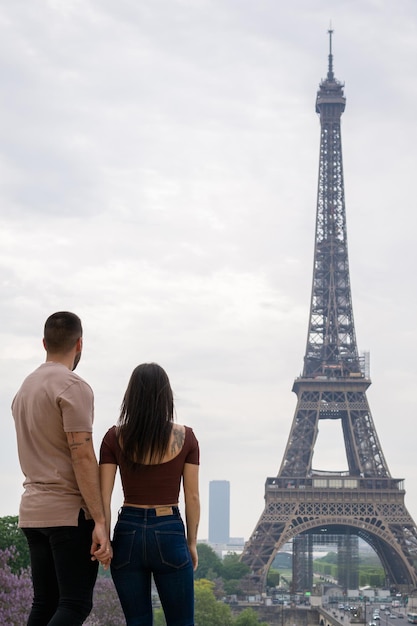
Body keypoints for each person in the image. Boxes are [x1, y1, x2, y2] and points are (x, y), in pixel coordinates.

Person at [12, 311, 111, 626]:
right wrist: (99, 519)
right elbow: (82, 455)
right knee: (74, 604)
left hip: (32, 511)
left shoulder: (23, 390)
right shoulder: (73, 386)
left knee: (44, 604)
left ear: (44, 342)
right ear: (80, 343)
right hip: (68, 513)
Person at [99, 362, 200, 626]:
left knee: (137, 622)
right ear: (166, 396)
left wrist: (106, 540)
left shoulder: (113, 437)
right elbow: (192, 498)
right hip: (169, 529)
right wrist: (191, 542)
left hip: (127, 531)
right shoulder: (186, 438)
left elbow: (103, 497)